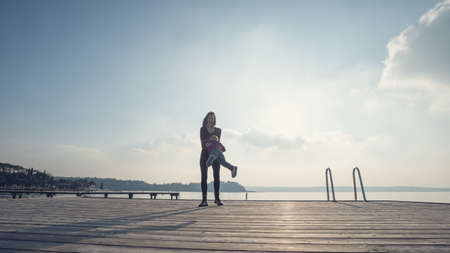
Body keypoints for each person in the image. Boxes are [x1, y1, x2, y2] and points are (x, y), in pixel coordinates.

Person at [199, 112, 223, 207]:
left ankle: (217, 198)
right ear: (206, 118)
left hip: (215, 155)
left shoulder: (218, 130)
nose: (211, 119)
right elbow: (203, 144)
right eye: (209, 118)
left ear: (214, 119)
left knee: (216, 176)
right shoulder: (202, 129)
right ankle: (204, 200)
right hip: (205, 155)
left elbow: (216, 143)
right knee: (204, 177)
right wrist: (209, 142)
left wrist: (209, 142)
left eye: (212, 118)